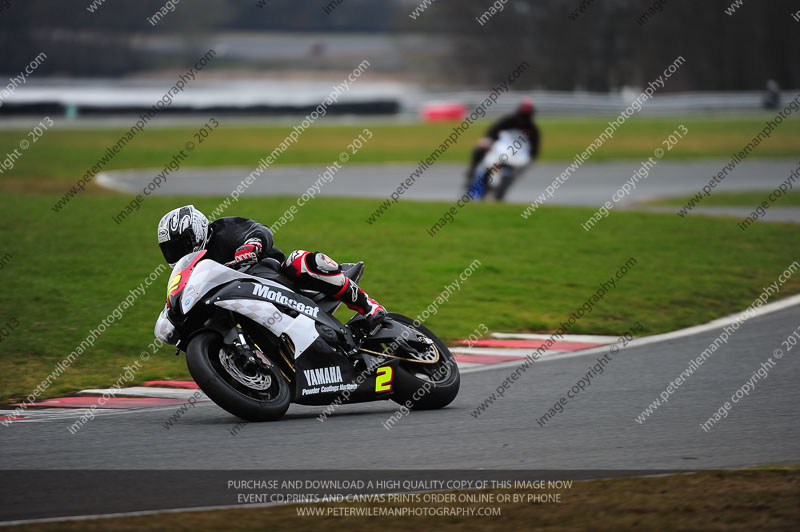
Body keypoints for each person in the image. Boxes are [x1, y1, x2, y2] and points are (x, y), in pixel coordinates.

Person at [156, 205, 386, 327]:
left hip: (270, 275)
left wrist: (252, 245)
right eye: (170, 250)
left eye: (180, 245)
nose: (177, 253)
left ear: (195, 231)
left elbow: (260, 230)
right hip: (235, 302)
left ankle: (368, 305)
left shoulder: (224, 229)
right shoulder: (191, 269)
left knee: (300, 260)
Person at [465, 97, 541, 190]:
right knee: (480, 151)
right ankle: (472, 172)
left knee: (521, 168)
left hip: (517, 156)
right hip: (501, 148)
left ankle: (503, 185)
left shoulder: (532, 129)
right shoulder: (509, 121)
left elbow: (534, 147)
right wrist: (488, 141)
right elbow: (493, 131)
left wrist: (531, 157)